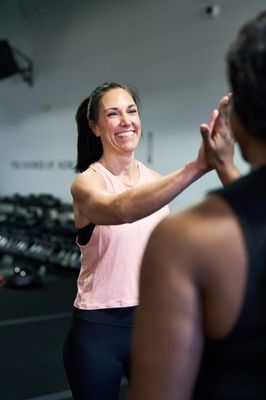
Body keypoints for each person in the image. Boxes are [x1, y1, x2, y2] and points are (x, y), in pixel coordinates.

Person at [62, 80, 238, 400]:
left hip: (153, 325)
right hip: (98, 332)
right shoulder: (86, 185)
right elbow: (121, 210)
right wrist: (199, 166)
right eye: (113, 114)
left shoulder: (156, 183)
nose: (126, 120)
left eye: (132, 111)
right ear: (95, 127)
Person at [131, 10, 266, 400]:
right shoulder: (87, 180)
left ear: (237, 122)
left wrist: (203, 166)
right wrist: (218, 166)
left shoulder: (187, 240)